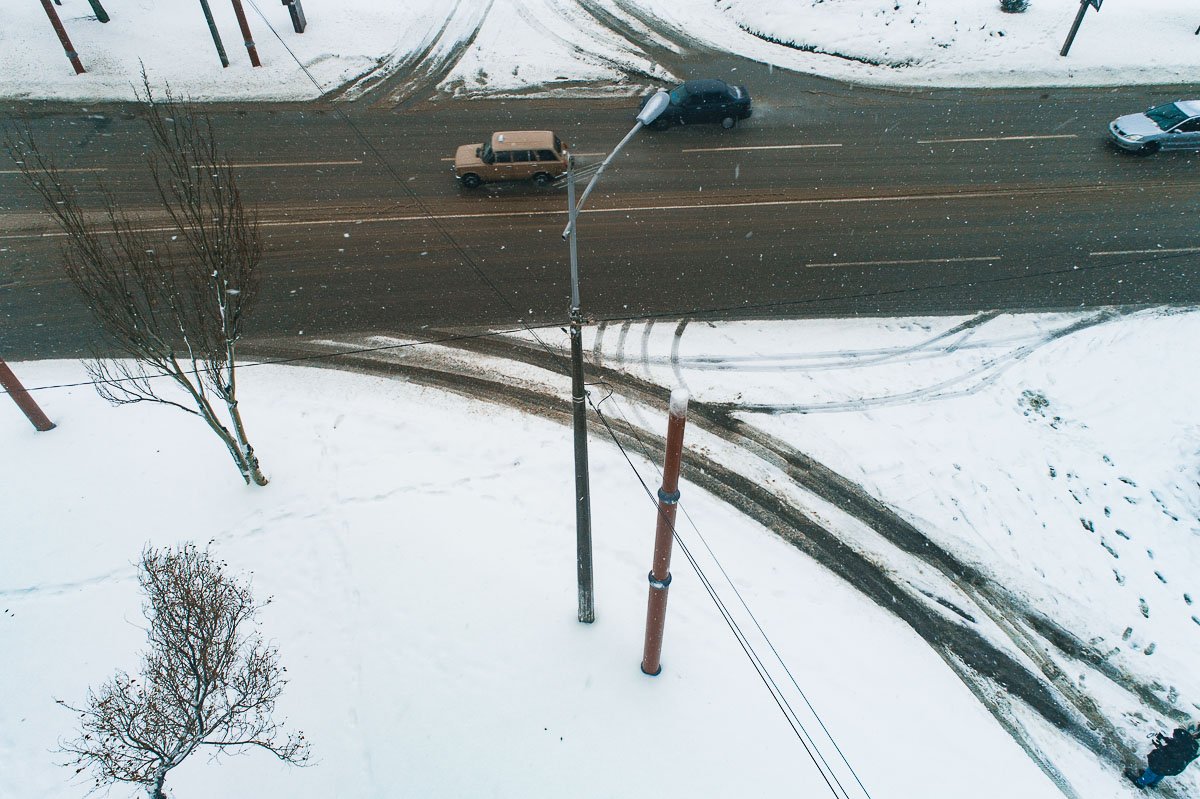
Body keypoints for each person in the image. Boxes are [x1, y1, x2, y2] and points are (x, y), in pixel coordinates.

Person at [1127, 723, 1200, 789]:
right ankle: (1153, 783)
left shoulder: (1186, 739)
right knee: (1162, 771)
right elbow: (1177, 745)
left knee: (1154, 768)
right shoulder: (1194, 746)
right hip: (1176, 766)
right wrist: (1164, 739)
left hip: (1166, 762)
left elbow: (1173, 749)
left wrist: (1160, 745)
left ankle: (1141, 782)